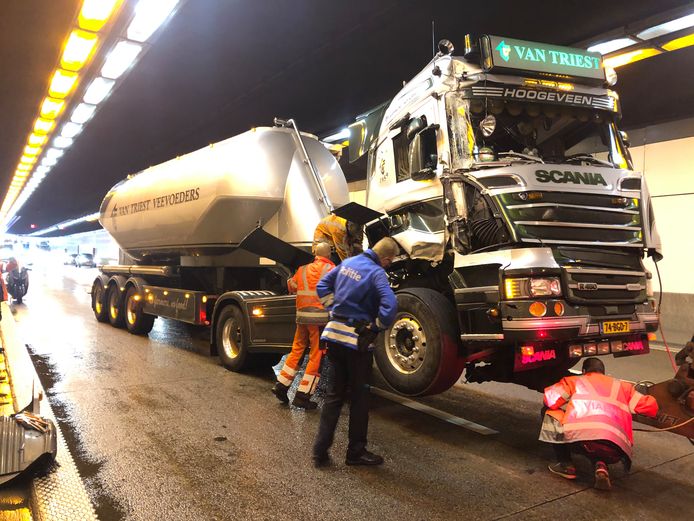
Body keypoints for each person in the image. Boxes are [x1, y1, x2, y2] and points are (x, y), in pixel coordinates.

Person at [312, 237, 398, 467]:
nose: (388, 266)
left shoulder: (348, 263)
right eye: (390, 262)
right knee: (360, 398)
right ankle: (355, 452)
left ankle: (320, 450)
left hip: (334, 337)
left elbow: (322, 286)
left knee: (334, 396)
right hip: (356, 342)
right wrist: (376, 326)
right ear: (386, 259)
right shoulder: (377, 273)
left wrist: (333, 308)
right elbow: (390, 306)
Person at [540, 357, 658, 490]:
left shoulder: (575, 381)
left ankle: (565, 465)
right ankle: (601, 465)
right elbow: (651, 407)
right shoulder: (624, 387)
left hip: (582, 442)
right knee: (601, 437)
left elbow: (550, 400)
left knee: (550, 411)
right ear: (603, 372)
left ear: (584, 371)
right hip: (617, 450)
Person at [271, 243, 335, 409]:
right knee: (317, 355)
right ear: (329, 254)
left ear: (314, 253)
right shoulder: (332, 269)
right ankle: (303, 396)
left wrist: (291, 274)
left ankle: (281, 385)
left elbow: (291, 286)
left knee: (297, 351)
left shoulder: (303, 269)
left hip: (302, 318)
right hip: (319, 320)